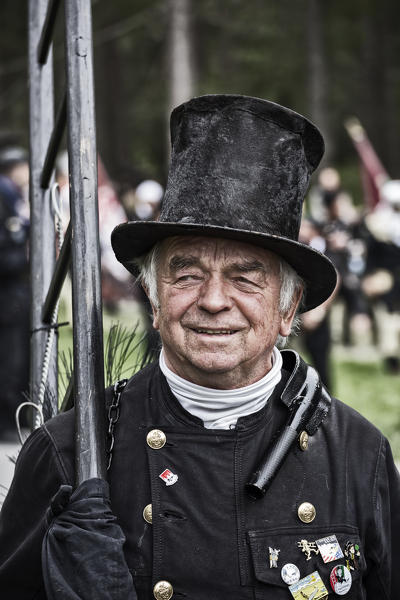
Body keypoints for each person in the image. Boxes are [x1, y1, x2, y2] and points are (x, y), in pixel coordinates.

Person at [0, 95, 399, 598]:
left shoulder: (359, 455)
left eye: (245, 279)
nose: (213, 301)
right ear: (152, 294)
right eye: (186, 274)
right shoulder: (67, 455)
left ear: (288, 307)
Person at [0, 146, 30, 440]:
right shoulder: (4, 196)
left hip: (14, 293)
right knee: (10, 358)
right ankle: (7, 421)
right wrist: (26, 258)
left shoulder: (13, 198)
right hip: (7, 293)